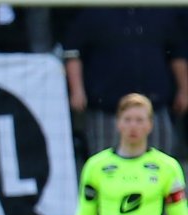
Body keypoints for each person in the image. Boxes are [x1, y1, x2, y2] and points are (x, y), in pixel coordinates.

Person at [62, 7, 188, 161]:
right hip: (107, 110)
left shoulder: (160, 9)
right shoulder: (93, 11)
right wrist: (77, 90)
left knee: (160, 164)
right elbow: (73, 53)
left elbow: (177, 54)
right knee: (105, 165)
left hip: (155, 109)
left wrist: (184, 90)